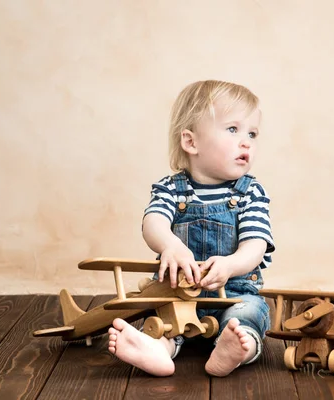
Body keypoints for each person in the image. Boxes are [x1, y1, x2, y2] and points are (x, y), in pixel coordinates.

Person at [107, 80, 275, 377]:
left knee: (248, 314)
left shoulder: (251, 192)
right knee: (162, 317)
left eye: (252, 133)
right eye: (233, 129)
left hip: (232, 293)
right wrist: (171, 245)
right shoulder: (171, 189)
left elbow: (256, 244)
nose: (246, 141)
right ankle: (158, 350)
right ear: (191, 142)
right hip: (180, 292)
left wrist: (231, 264)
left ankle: (235, 349)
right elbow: (153, 222)